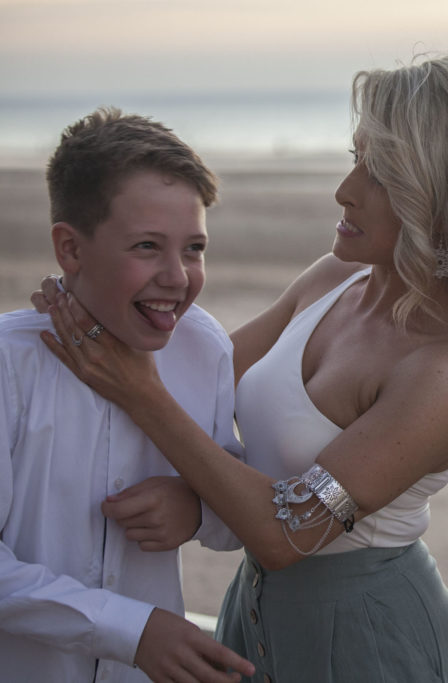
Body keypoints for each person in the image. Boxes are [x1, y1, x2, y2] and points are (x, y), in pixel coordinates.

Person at [41, 55, 448, 682]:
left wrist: (142, 396)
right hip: (255, 615)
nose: (345, 188)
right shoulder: (334, 279)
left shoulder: (445, 371)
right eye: (355, 157)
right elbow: (201, 386)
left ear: (444, 192)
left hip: (369, 640)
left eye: (377, 171)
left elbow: (282, 533)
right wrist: (90, 301)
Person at [0, 108, 255, 682]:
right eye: (146, 246)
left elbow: (231, 518)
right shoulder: (9, 365)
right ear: (70, 250)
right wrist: (130, 628)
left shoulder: (204, 347)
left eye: (194, 248)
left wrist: (195, 507)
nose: (177, 275)